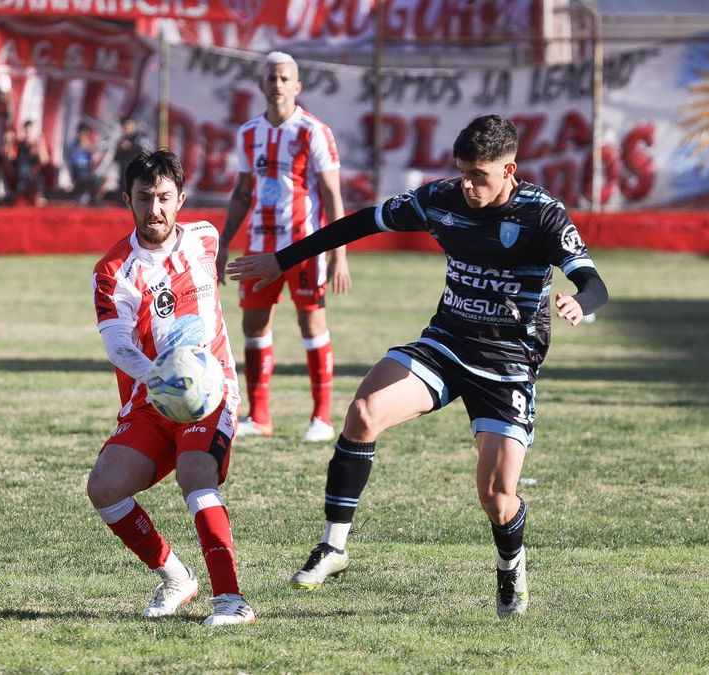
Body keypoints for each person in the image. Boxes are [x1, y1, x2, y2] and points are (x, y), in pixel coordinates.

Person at [227, 114, 609, 618]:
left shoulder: (543, 215)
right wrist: (284, 258)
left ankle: (510, 566)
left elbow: (593, 280)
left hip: (508, 363)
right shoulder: (441, 199)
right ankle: (334, 546)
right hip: (447, 344)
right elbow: (363, 221)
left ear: (510, 169)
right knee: (364, 412)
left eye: (481, 176)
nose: (469, 186)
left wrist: (583, 303)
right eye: (464, 172)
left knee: (497, 498)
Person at [87, 149, 256, 626]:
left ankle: (231, 601)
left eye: (164, 198)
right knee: (104, 487)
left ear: (181, 199)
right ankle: (177, 577)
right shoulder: (112, 271)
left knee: (195, 473)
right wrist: (160, 379)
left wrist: (193, 372)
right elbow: (118, 346)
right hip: (153, 397)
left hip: (211, 391)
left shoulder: (205, 238)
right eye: (144, 198)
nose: (154, 209)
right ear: (128, 201)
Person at [216, 51, 351, 443]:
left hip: (305, 247)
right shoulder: (247, 134)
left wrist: (338, 253)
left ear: (297, 87)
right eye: (271, 78)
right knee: (254, 327)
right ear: (262, 85)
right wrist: (225, 243)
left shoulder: (314, 132)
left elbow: (331, 194)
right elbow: (242, 193)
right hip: (259, 247)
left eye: (284, 78)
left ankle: (322, 419)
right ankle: (259, 417)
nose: (277, 85)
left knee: (312, 324)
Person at [67, 123, 103, 205]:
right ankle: (82, 197)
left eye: (86, 134)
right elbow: (73, 162)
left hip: (88, 171)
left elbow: (95, 160)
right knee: (82, 174)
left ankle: (94, 200)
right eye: (82, 133)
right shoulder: (72, 145)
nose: (84, 136)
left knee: (102, 177)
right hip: (77, 171)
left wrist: (90, 148)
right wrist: (80, 148)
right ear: (78, 133)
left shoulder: (89, 145)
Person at [112, 116, 150, 195]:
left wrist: (131, 146)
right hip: (124, 173)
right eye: (125, 126)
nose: (127, 128)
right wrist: (122, 149)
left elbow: (146, 151)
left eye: (129, 125)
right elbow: (116, 157)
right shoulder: (122, 140)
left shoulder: (140, 138)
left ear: (134, 126)